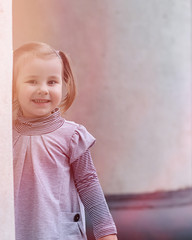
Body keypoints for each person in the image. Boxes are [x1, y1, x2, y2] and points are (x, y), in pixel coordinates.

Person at [12, 42, 118, 240]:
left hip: (59, 232)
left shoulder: (71, 136)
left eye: (52, 82)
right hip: (18, 232)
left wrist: (106, 232)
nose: (43, 89)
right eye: (32, 81)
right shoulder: (6, 136)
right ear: (14, 86)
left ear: (63, 84)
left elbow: (89, 184)